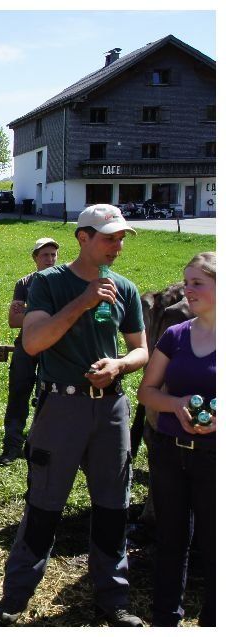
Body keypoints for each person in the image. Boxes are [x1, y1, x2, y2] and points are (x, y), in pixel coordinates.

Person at [0, 204, 148, 626]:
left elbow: (141, 349)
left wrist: (120, 365)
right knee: (44, 504)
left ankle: (113, 600)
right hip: (61, 408)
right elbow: (33, 342)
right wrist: (83, 301)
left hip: (111, 409)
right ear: (83, 238)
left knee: (113, 506)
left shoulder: (126, 289)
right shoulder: (48, 283)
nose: (117, 246)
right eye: (109, 238)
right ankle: (15, 598)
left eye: (120, 238)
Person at [136, 252, 215, 627]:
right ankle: (165, 621)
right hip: (169, 452)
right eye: (186, 282)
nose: (188, 290)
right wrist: (176, 404)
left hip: (214, 457)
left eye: (198, 283)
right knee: (171, 542)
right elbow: (147, 393)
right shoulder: (175, 335)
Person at [0, 238, 59, 465]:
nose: (50, 259)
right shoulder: (24, 283)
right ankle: (12, 445)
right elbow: (13, 320)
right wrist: (50, 317)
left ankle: (40, 446)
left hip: (54, 346)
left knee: (48, 395)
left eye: (53, 255)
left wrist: (30, 314)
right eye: (45, 255)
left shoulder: (63, 281)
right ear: (35, 258)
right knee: (18, 392)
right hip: (26, 343)